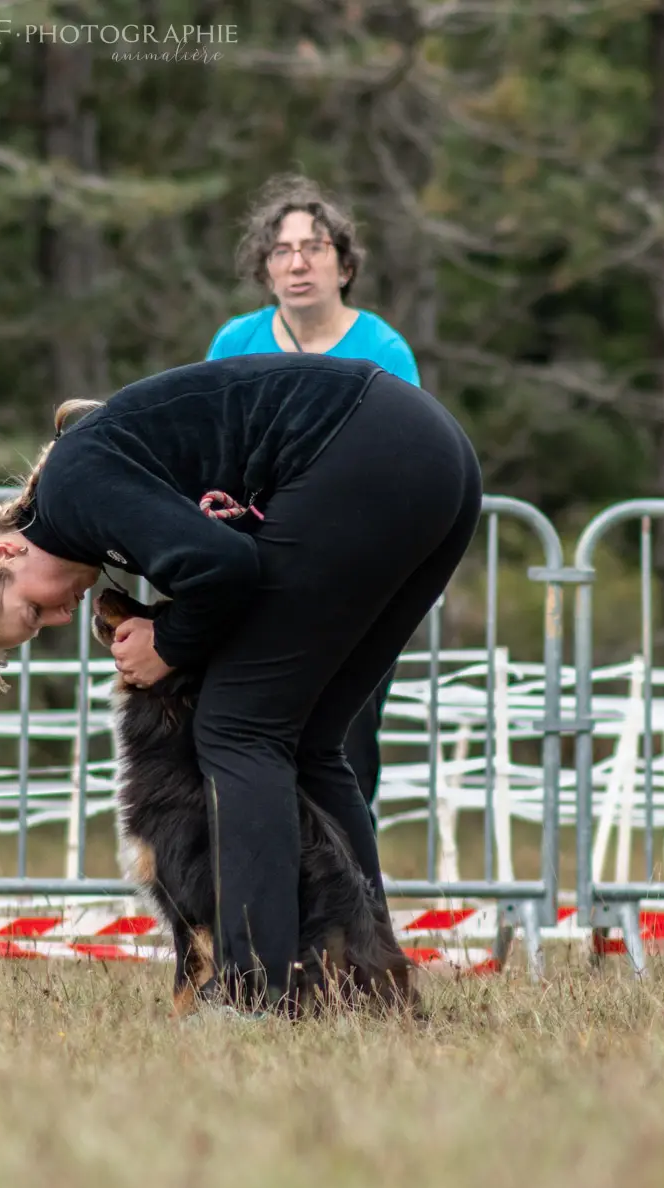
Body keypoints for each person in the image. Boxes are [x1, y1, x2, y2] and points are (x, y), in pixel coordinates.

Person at [0, 353, 481, 1014]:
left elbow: (226, 567)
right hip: (428, 453)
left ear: (3, 551)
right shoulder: (84, 493)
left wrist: (168, 644)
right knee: (313, 739)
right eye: (42, 626)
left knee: (238, 730)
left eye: (34, 611)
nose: (62, 617)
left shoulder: (74, 491)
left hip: (366, 450)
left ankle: (248, 992)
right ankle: (364, 982)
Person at [205, 174, 424, 827]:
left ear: (344, 265)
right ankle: (267, 893)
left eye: (315, 246)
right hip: (256, 574)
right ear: (265, 269)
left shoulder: (383, 350)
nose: (297, 262)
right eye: (281, 250)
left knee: (344, 747)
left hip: (354, 580)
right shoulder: (235, 344)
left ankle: (349, 905)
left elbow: (411, 467)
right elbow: (209, 451)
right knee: (251, 739)